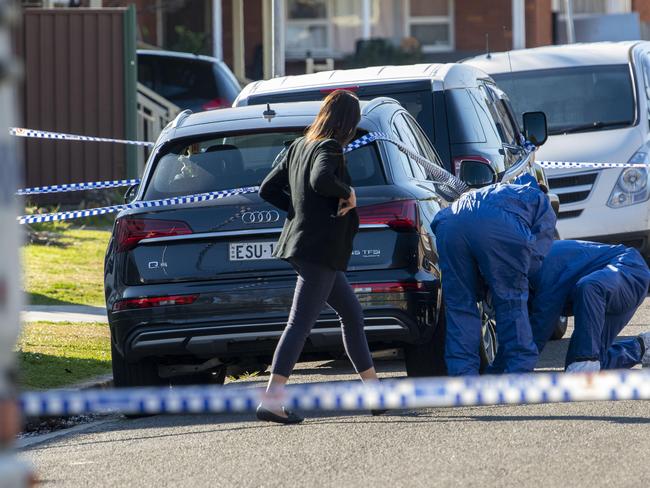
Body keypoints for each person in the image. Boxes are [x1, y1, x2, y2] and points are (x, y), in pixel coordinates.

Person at [256, 90, 381, 424]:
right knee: (299, 324)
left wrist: (299, 214)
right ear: (347, 123)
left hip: (305, 246)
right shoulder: (328, 148)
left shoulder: (298, 146)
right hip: (319, 249)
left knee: (352, 315)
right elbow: (321, 180)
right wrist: (348, 193)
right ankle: (271, 399)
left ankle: (375, 392)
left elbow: (267, 189)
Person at [431, 173, 556, 376]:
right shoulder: (540, 199)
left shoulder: (492, 191)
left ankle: (462, 376)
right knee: (511, 301)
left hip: (449, 222)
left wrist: (480, 282)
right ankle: (518, 370)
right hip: (496, 224)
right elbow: (534, 258)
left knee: (459, 305)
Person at [523, 240, 650, 372]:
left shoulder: (541, 265)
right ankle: (643, 347)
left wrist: (510, 372)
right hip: (604, 292)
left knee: (590, 287)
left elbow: (541, 324)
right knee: (577, 367)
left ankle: (587, 360)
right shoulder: (524, 270)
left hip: (629, 269)